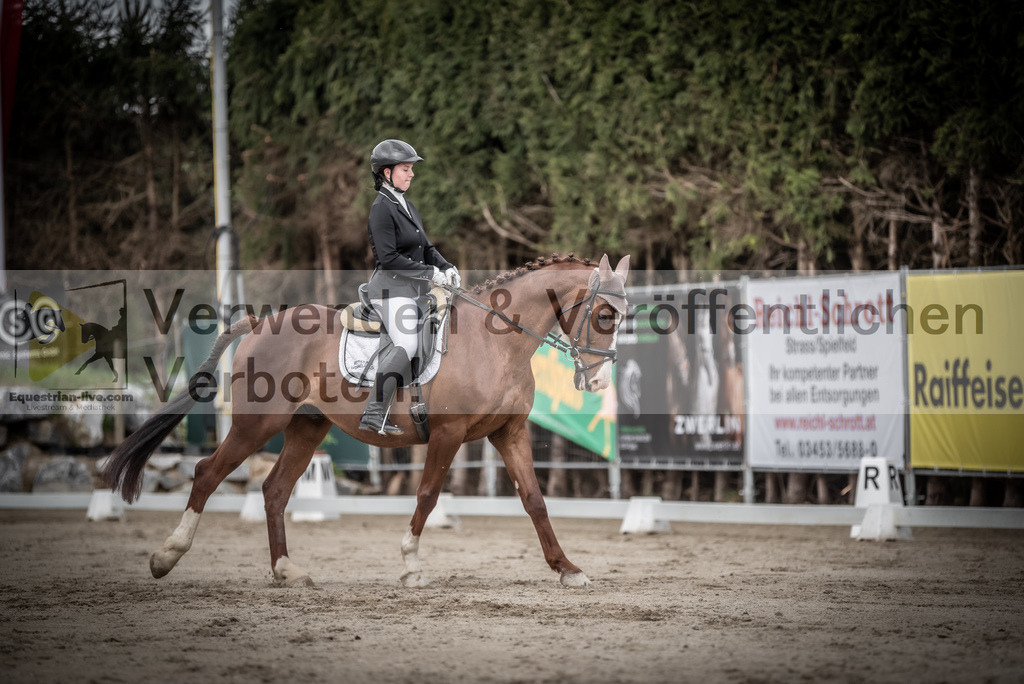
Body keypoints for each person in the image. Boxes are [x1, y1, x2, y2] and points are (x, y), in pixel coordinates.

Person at [359, 139, 460, 436]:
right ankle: (373, 413)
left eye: (411, 169)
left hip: (414, 292)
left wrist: (445, 266)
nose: (411, 174)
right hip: (389, 291)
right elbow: (388, 259)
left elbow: (426, 247)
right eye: (406, 169)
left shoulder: (407, 205)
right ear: (386, 173)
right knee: (408, 343)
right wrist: (430, 272)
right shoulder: (381, 209)